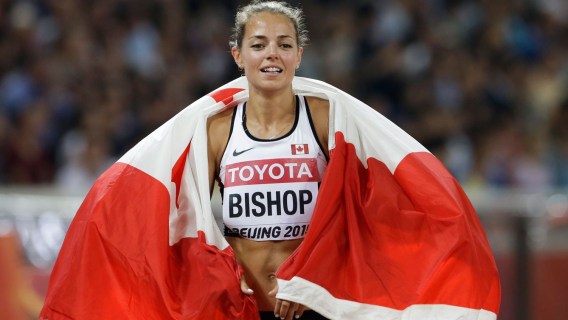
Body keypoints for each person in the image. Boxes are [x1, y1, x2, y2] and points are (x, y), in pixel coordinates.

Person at [207, 1, 329, 319]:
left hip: (313, 303)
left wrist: (309, 278)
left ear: (298, 56)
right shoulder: (217, 129)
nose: (272, 53)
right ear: (238, 55)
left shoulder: (325, 120)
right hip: (241, 304)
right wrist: (224, 271)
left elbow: (353, 213)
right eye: (258, 45)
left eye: (284, 44)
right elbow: (191, 217)